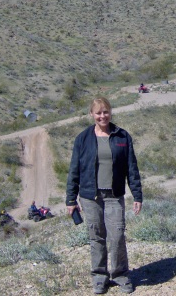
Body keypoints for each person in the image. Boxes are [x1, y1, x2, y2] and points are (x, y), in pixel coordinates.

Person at [66, 96, 142, 294]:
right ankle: (99, 277)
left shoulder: (122, 136)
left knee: (117, 236)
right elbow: (74, 170)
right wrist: (70, 199)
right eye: (98, 112)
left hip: (114, 195)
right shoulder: (82, 139)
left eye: (105, 111)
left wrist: (137, 195)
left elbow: (131, 168)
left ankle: (120, 275)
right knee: (96, 237)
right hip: (90, 197)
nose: (102, 116)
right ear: (91, 114)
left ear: (110, 112)